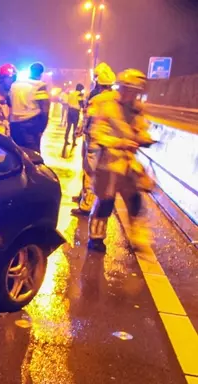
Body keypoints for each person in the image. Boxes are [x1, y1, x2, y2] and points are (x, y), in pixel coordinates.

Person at [87, 69, 155, 253]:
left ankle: (138, 238)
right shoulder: (106, 104)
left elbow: (141, 127)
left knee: (135, 200)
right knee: (105, 201)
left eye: (134, 91)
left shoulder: (137, 108)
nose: (130, 94)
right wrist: (120, 142)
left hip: (127, 164)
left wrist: (144, 138)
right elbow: (97, 132)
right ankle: (96, 237)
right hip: (108, 163)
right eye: (127, 89)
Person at [71, 63, 116, 216]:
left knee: (89, 172)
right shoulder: (117, 98)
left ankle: (86, 205)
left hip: (94, 140)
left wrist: (79, 130)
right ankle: (88, 197)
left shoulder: (96, 99)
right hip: (109, 142)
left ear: (98, 81)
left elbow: (87, 118)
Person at [10, 62, 50, 153]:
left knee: (16, 154)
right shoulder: (39, 86)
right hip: (30, 125)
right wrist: (41, 129)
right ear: (41, 74)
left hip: (14, 125)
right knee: (33, 156)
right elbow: (45, 110)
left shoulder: (15, 84)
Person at [62, 83, 86, 155]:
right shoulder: (79, 95)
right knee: (75, 127)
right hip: (75, 112)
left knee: (68, 126)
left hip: (70, 110)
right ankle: (74, 141)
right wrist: (83, 107)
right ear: (80, 89)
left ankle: (66, 139)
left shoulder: (71, 94)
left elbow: (67, 101)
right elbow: (81, 103)